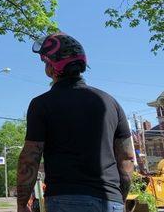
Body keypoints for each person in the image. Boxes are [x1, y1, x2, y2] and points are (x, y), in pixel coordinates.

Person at [16, 33, 135, 212]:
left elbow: (30, 158)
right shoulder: (111, 103)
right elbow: (126, 158)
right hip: (111, 201)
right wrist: (119, 198)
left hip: (66, 199)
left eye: (45, 62)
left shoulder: (41, 104)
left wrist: (22, 204)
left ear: (52, 67)